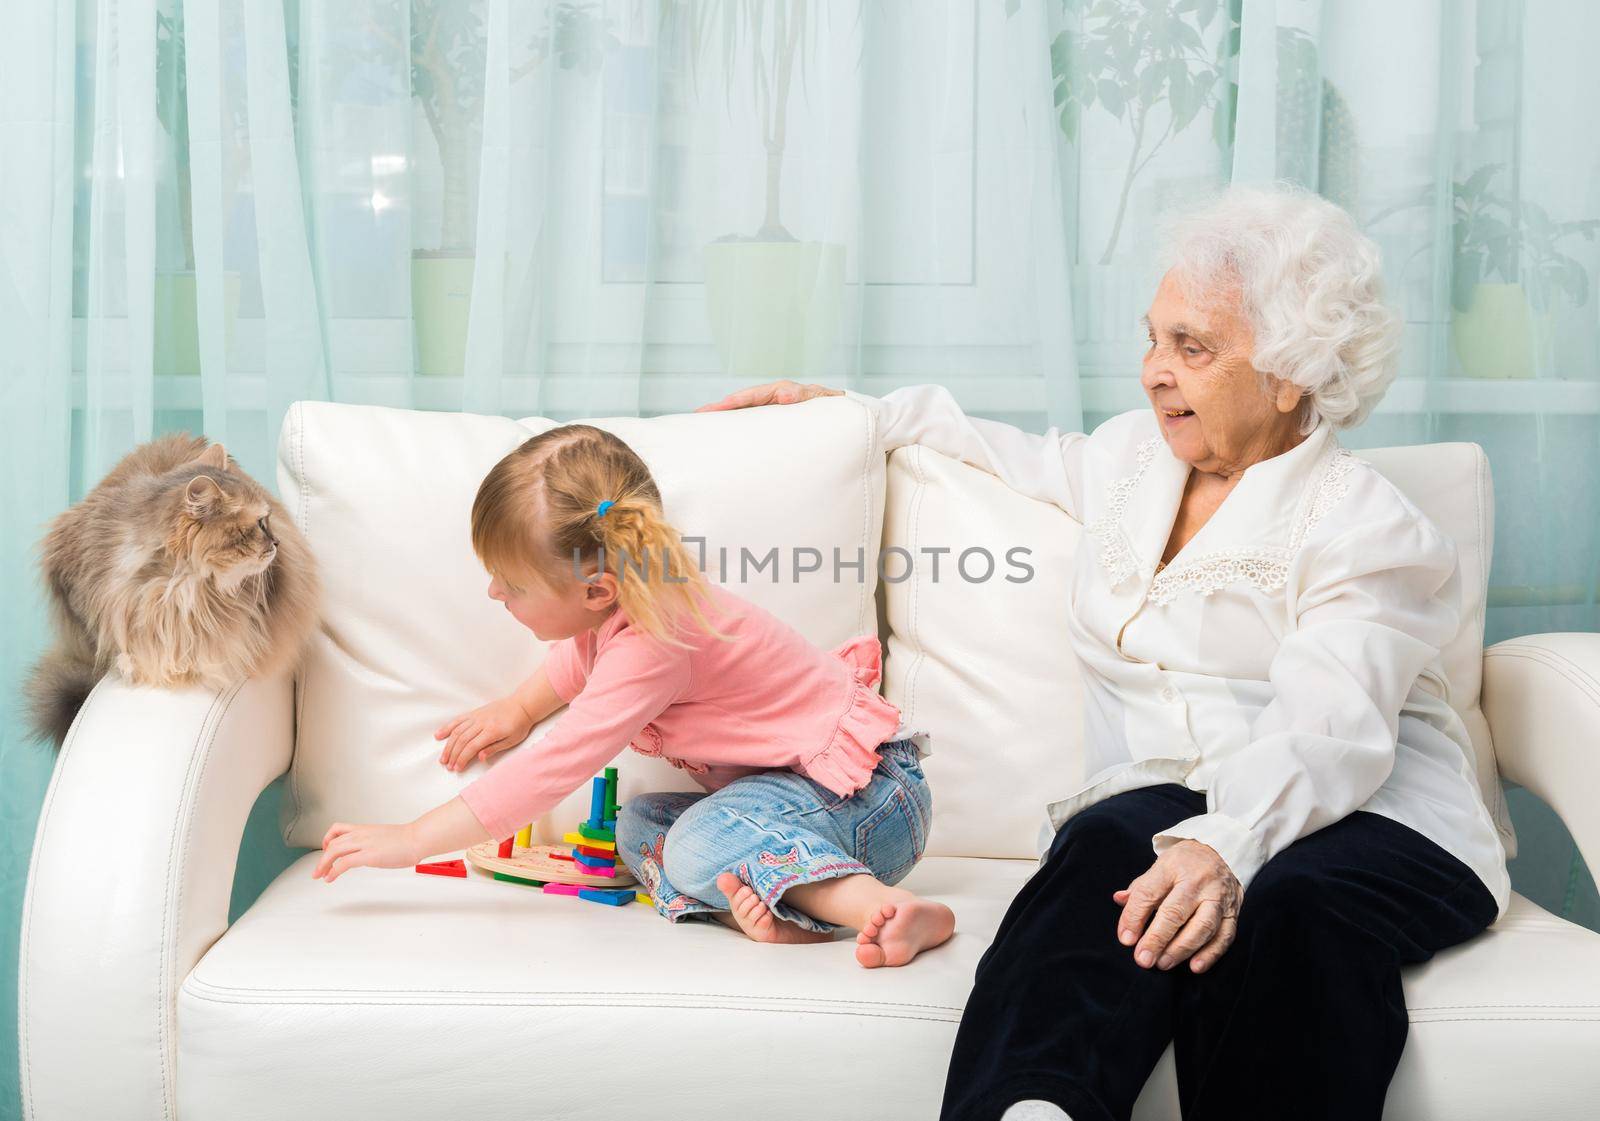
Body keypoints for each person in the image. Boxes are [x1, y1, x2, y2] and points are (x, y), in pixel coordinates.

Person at [697, 183, 1512, 1117]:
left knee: (1288, 909)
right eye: (1153, 338)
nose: (1153, 371)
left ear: (1291, 373)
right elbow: (996, 448)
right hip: (1180, 791)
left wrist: (1224, 849)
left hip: (1378, 816)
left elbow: (1331, 733)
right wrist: (844, 412)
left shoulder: (1369, 527)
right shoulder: (1135, 458)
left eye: (1192, 347)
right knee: (1099, 849)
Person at [309, 421, 955, 968]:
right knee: (638, 826)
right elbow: (574, 664)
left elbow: (553, 765)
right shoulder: (631, 600)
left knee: (694, 843)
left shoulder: (657, 640)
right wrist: (517, 709)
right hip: (800, 802)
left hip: (873, 802)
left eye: (510, 583)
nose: (494, 595)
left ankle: (883, 909)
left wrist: (410, 839)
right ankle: (767, 902)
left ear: (597, 593)